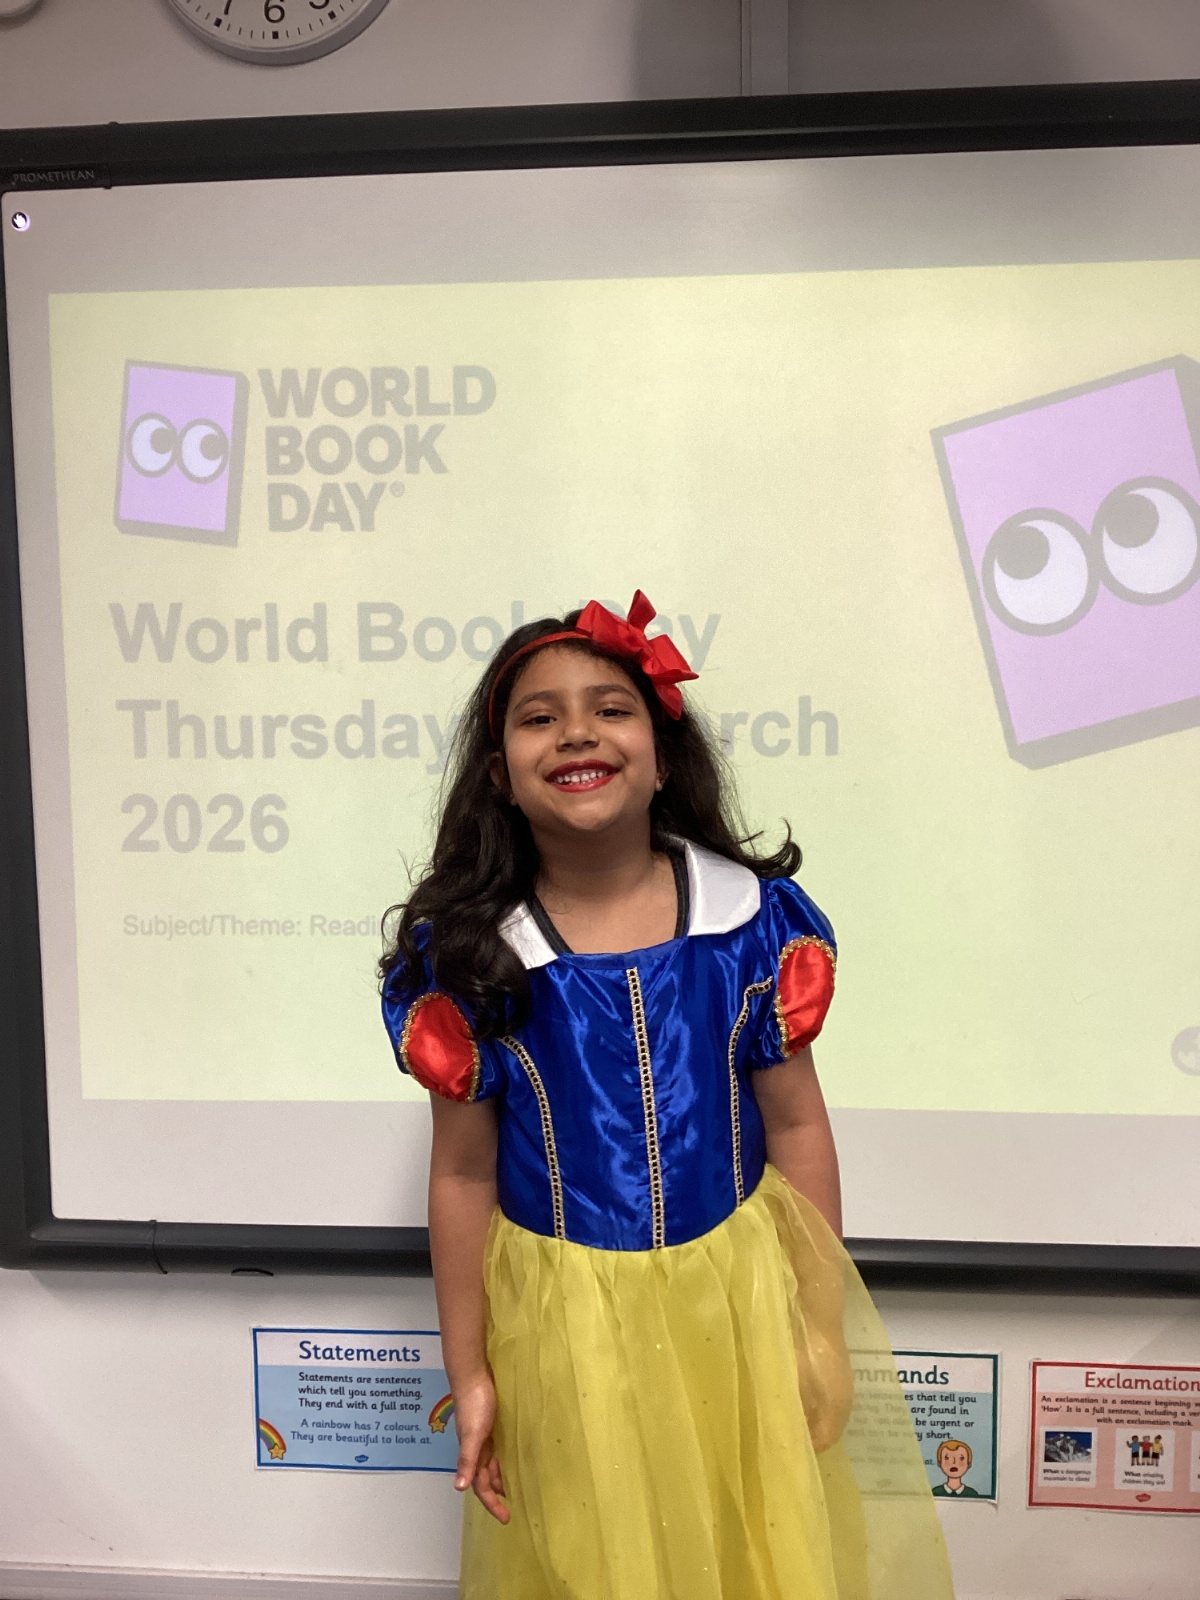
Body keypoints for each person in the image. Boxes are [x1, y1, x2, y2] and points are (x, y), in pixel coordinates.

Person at [380, 592, 954, 1600]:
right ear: (499, 774)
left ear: (661, 755)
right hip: (563, 1325)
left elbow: (796, 1125)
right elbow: (463, 1174)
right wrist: (469, 1372)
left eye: (611, 708)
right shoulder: (470, 957)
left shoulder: (750, 925)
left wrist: (819, 1327)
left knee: (750, 1551)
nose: (577, 732)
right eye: (540, 716)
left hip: (735, 1305)